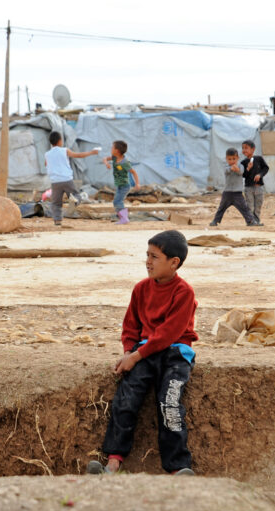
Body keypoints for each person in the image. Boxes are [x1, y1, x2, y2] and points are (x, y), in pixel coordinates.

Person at [88, 230, 198, 476]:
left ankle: (178, 468)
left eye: (155, 257)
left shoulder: (184, 293)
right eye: (147, 255)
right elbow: (131, 326)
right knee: (126, 399)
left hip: (175, 353)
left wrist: (136, 356)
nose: (148, 261)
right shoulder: (140, 289)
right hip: (144, 352)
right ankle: (113, 461)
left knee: (169, 404)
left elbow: (169, 333)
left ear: (174, 262)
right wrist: (129, 351)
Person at [44, 131, 99, 226]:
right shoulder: (65, 150)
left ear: (51, 142)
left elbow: (46, 164)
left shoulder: (47, 154)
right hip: (66, 179)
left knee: (56, 203)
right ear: (60, 141)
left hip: (55, 182)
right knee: (76, 195)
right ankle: (75, 201)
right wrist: (91, 152)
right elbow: (78, 155)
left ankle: (57, 220)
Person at [209, 148, 261, 227]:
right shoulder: (226, 166)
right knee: (221, 208)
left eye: (234, 159)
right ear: (226, 159)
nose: (232, 161)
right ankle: (215, 221)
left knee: (244, 208)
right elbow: (226, 171)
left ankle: (250, 221)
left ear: (237, 158)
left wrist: (237, 170)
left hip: (237, 193)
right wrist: (231, 168)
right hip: (227, 193)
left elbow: (242, 172)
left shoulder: (241, 166)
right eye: (229, 159)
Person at [102, 140, 139, 225]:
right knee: (117, 201)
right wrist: (106, 163)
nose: (111, 149)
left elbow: (134, 172)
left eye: (112, 148)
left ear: (117, 151)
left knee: (117, 201)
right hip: (119, 185)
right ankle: (122, 217)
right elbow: (105, 158)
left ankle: (124, 218)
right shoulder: (114, 158)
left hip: (125, 186)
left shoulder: (125, 163)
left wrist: (137, 183)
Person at [241, 140, 269, 223]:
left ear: (253, 149)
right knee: (250, 205)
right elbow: (243, 175)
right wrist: (248, 169)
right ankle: (250, 220)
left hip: (259, 187)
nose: (244, 150)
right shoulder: (243, 162)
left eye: (246, 148)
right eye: (243, 148)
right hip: (248, 188)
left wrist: (260, 175)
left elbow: (266, 168)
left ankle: (256, 220)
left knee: (258, 205)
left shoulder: (259, 159)